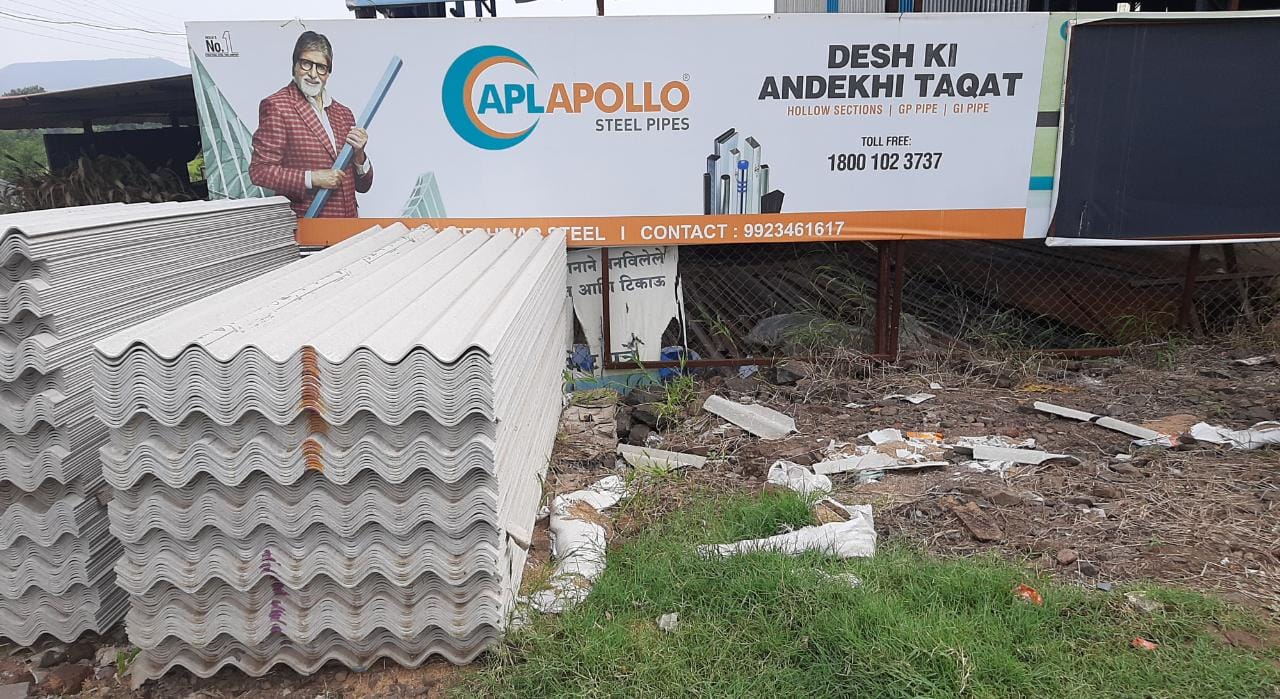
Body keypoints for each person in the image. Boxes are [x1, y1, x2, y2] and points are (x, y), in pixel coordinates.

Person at [249, 31, 373, 218]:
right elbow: (260, 171)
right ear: (294, 66)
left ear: (328, 73)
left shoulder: (344, 114)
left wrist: (359, 155)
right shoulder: (277, 106)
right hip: (310, 225)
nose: (313, 74)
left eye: (321, 67)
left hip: (350, 225)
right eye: (306, 64)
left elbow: (364, 186)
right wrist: (312, 178)